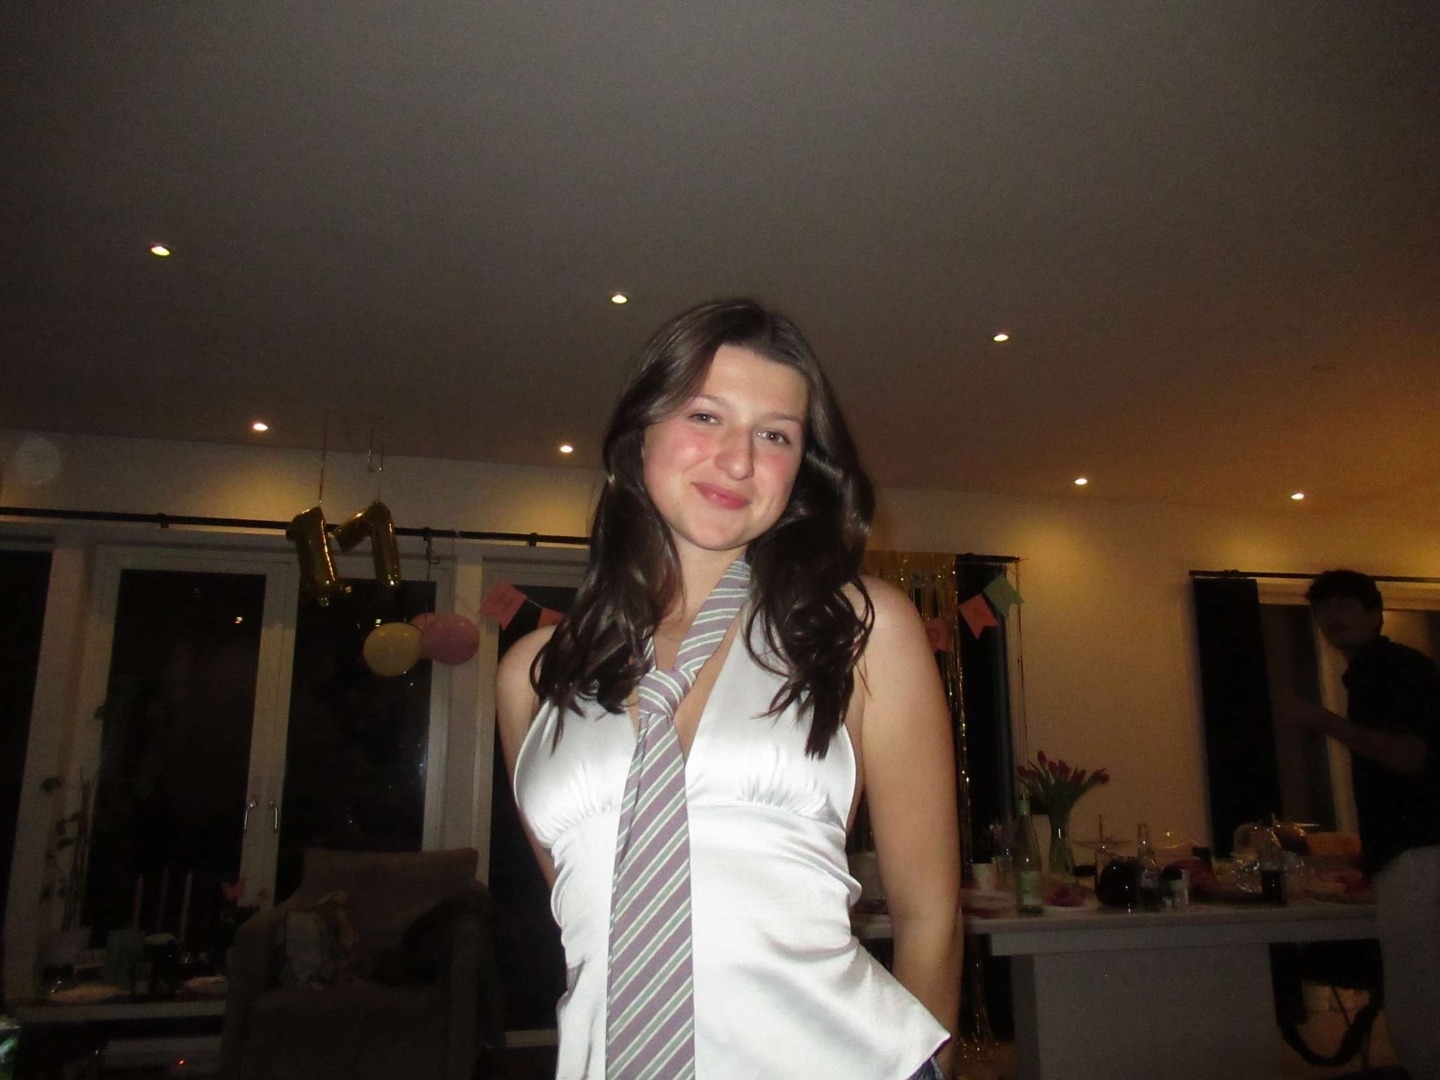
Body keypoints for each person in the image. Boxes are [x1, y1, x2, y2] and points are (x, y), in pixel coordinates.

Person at [496, 298, 962, 1079]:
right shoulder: (534, 677)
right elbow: (591, 926)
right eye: (705, 416)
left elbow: (930, 914)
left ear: (803, 468)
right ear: (640, 433)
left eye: (775, 435)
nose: (739, 460)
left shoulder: (861, 629)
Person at [1280, 569, 1440, 1079]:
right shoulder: (1385, 668)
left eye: (1346, 606)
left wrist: (1318, 719)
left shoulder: (1387, 669)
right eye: (1323, 609)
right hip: (1414, 850)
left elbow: (1407, 756)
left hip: (1421, 852)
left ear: (1375, 615)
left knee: (1419, 1001)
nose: (1333, 617)